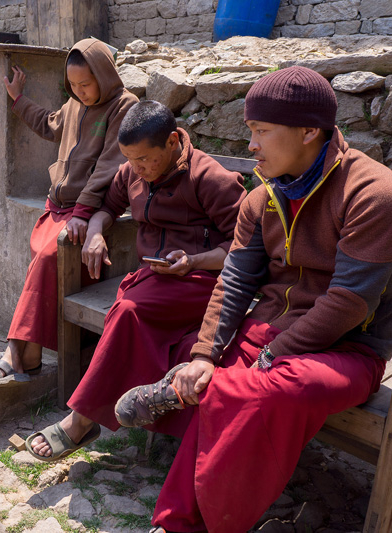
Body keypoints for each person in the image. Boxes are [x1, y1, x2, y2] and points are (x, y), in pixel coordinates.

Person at [115, 66, 392, 533]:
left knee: (264, 389)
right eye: (250, 130)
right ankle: (174, 523)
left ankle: (205, 513)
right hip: (269, 331)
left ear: (309, 131)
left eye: (261, 131)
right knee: (206, 366)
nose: (251, 145)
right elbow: (235, 279)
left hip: (346, 349)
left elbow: (349, 302)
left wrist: (269, 357)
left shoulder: (372, 193)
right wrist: (205, 354)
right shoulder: (260, 198)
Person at [26, 100, 247, 460]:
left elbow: (244, 247)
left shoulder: (210, 178)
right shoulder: (131, 173)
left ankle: (80, 421)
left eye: (145, 160)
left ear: (173, 141)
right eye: (130, 159)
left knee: (128, 310)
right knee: (128, 308)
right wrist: (96, 230)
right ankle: (93, 415)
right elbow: (108, 206)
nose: (138, 169)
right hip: (155, 279)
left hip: (203, 281)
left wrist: (194, 261)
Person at [0, 38, 139, 390]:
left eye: (86, 83)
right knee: (42, 260)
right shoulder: (76, 103)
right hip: (58, 208)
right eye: (73, 85)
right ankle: (28, 355)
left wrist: (82, 211)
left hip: (89, 213)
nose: (80, 92)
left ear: (105, 75)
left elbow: (111, 165)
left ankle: (14, 354)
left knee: (49, 258)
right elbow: (50, 125)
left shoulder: (123, 106)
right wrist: (18, 101)